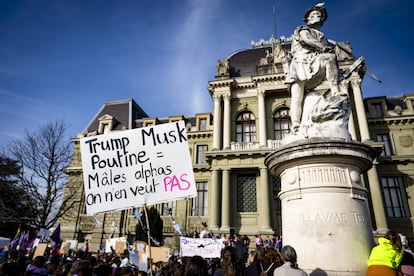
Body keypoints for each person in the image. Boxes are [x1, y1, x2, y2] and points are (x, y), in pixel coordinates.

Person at [285, 3, 341, 134]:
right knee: (296, 97)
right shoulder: (302, 30)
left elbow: (326, 49)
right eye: (314, 14)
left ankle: (335, 90)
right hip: (300, 64)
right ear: (308, 18)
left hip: (313, 62)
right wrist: (322, 47)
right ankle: (296, 125)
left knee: (330, 58)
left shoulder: (322, 36)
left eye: (319, 15)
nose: (317, 16)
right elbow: (308, 40)